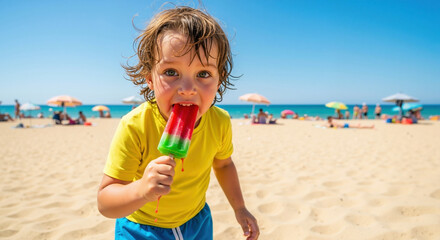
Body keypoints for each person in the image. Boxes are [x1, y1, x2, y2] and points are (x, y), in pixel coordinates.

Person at [97, 6, 259, 240]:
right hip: (140, 227)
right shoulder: (134, 126)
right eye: (171, 71)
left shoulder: (220, 122)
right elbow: (105, 203)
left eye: (203, 74)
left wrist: (239, 207)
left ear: (219, 80)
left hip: (197, 221)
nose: (187, 89)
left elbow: (223, 165)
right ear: (149, 77)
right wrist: (141, 190)